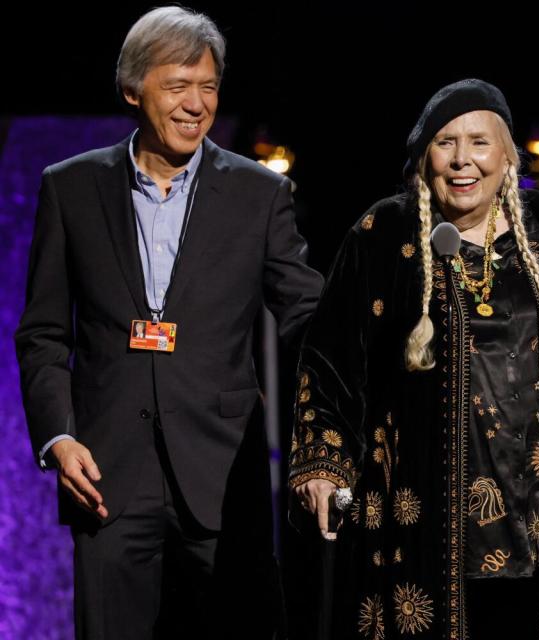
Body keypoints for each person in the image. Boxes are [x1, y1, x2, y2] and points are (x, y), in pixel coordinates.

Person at [14, 6, 323, 638]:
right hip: (105, 477)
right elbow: (44, 334)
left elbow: (308, 318)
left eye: (208, 86)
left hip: (223, 474)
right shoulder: (69, 189)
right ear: (132, 89)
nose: (196, 104)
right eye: (177, 85)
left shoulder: (258, 194)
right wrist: (57, 438)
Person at [289, 78, 539, 639]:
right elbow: (328, 363)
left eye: (479, 142)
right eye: (446, 143)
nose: (462, 160)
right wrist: (323, 467)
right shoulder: (383, 233)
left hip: (535, 527)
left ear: (507, 156)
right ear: (425, 157)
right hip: (419, 527)